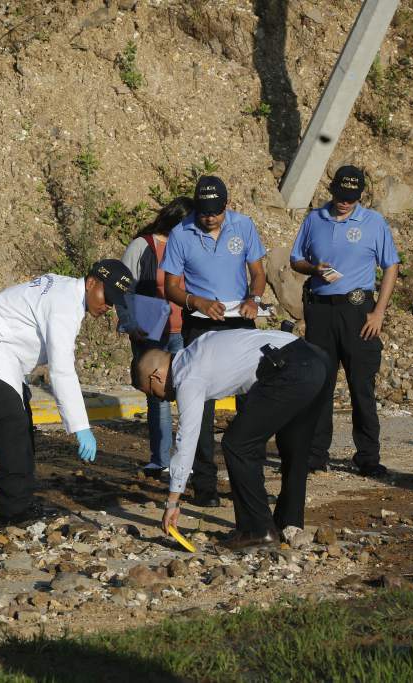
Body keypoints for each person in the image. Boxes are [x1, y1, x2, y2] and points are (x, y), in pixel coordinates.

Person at [0, 260, 135, 523]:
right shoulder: (65, 307)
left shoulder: (67, 292)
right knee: (12, 426)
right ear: (91, 283)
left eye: (114, 303)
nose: (108, 307)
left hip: (0, 350)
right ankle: (14, 514)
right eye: (107, 297)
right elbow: (61, 370)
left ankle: (19, 504)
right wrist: (81, 426)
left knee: (22, 423)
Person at [132, 328, 330, 550]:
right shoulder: (200, 344)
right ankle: (288, 524)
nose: (158, 398)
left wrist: (173, 501)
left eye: (151, 392)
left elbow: (187, 439)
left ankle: (258, 530)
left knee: (238, 445)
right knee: (294, 445)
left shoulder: (188, 376)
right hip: (314, 359)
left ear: (155, 376)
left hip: (288, 370)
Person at [160, 176, 268, 507]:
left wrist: (255, 297)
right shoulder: (181, 234)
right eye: (204, 213)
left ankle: (249, 482)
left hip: (241, 320)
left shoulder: (244, 226)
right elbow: (171, 285)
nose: (210, 219)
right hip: (201, 323)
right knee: (200, 410)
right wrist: (196, 302)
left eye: (216, 213)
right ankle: (204, 485)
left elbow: (258, 272)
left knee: (251, 405)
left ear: (226, 205)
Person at [289, 165, 399, 478]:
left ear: (360, 195)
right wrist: (312, 268)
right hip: (321, 310)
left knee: (361, 385)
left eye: (351, 197)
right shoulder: (314, 219)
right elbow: (295, 259)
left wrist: (379, 311)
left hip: (357, 311)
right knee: (319, 383)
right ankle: (315, 454)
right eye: (340, 195)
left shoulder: (373, 222)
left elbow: (391, 266)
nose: (345, 202)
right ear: (332, 189)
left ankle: (367, 457)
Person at [119, 196, 193, 479]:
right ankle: (160, 459)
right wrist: (128, 322)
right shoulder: (143, 246)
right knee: (158, 397)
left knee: (189, 395)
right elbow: (122, 288)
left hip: (184, 331)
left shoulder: (188, 245)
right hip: (150, 332)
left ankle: (188, 459)